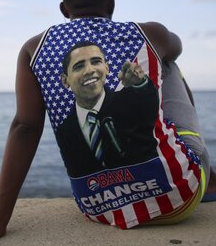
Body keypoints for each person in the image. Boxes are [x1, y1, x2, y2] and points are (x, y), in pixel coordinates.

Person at [0, 0, 216, 246]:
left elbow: (25, 126)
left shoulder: (34, 49)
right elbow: (176, 46)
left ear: (64, 10)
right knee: (167, 62)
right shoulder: (148, 33)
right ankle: (211, 180)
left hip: (98, 208)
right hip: (180, 199)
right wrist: (154, 48)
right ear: (111, 5)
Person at [56, 41, 159, 177]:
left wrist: (141, 83)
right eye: (79, 66)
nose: (90, 70)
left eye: (96, 62)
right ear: (65, 80)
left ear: (107, 68)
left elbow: (147, 99)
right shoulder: (64, 130)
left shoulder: (131, 101)